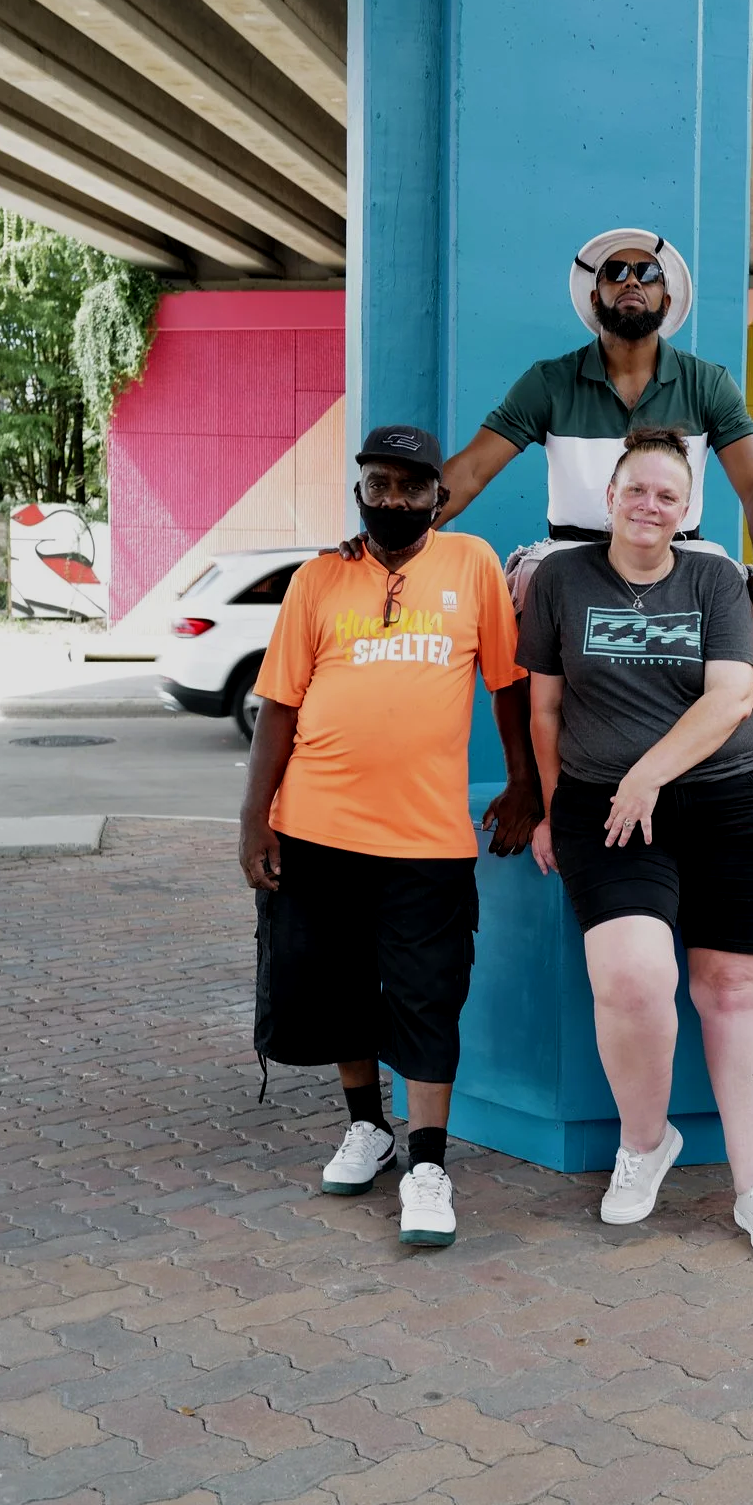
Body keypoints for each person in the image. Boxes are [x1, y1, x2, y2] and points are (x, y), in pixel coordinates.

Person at [239, 425, 540, 1250]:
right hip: (316, 826)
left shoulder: (473, 563)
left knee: (427, 994)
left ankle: (428, 1165)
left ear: (439, 497)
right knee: (340, 988)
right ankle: (367, 1127)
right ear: (360, 493)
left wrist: (524, 782)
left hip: (425, 837)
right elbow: (279, 707)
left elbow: (508, 684)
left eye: (412, 487)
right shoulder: (319, 578)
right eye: (380, 485)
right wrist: (254, 817)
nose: (395, 499)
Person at [517, 427, 753, 1257]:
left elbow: (731, 699)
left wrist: (647, 774)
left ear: (687, 510)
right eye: (636, 490)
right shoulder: (560, 579)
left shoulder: (715, 577)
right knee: (635, 979)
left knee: (733, 991)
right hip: (604, 809)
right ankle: (645, 1144)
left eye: (668, 495)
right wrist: (550, 807)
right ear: (609, 496)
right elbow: (544, 709)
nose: (650, 505)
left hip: (731, 799)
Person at [346, 228, 753, 604]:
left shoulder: (708, 383)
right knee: (526, 590)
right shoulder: (550, 382)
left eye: (647, 273)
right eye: (615, 272)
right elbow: (473, 470)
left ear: (666, 297)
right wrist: (387, 538)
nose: (631, 282)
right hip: (573, 556)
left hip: (676, 555)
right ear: (596, 296)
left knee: (739, 594)